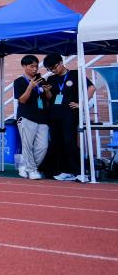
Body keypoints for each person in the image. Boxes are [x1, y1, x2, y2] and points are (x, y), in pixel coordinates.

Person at [42, 52, 94, 181]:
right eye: (49, 69)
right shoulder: (51, 79)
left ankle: (80, 172)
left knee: (69, 141)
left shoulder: (75, 74)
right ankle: (65, 170)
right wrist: (47, 91)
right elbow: (49, 98)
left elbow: (91, 88)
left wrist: (82, 104)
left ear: (61, 63)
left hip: (69, 114)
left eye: (54, 67)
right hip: (54, 114)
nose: (52, 71)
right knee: (57, 143)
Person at [13, 55, 49, 180]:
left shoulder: (41, 80)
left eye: (36, 66)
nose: (35, 69)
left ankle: (26, 167)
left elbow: (48, 98)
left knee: (43, 146)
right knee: (27, 146)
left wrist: (47, 91)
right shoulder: (19, 81)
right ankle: (32, 170)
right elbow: (22, 100)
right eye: (32, 66)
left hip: (42, 117)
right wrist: (30, 87)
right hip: (26, 116)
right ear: (24, 66)